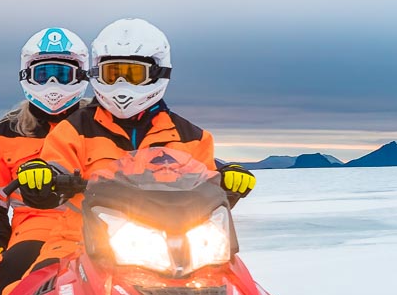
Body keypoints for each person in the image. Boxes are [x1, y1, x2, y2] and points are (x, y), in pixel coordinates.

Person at [16, 17, 256, 272]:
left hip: (180, 246)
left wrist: (228, 183)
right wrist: (42, 178)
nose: (121, 84)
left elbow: (208, 197)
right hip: (82, 243)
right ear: (97, 74)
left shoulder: (192, 137)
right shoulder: (73, 130)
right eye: (112, 74)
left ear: (157, 73)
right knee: (41, 294)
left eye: (133, 74)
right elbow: (54, 171)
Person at [0, 27, 90, 295]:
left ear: (80, 75)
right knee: (10, 274)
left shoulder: (101, 127)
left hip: (101, 225)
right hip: (34, 227)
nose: (52, 83)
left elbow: (149, 160)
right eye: (42, 74)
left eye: (62, 74)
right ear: (27, 76)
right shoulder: (5, 133)